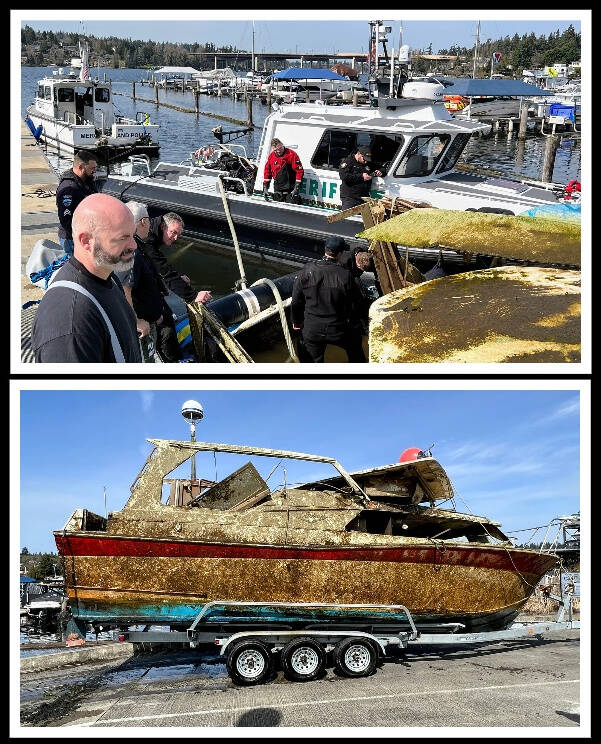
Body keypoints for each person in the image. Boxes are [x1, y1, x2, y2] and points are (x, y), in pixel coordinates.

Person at [32, 193, 142, 363]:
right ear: (86, 241)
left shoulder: (109, 277)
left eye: (133, 235)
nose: (134, 245)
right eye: (123, 238)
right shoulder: (70, 322)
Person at [144, 212, 212, 362]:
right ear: (163, 226)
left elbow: (159, 267)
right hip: (141, 293)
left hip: (148, 285)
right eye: (173, 233)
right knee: (166, 325)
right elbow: (164, 273)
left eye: (178, 235)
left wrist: (178, 278)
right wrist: (194, 296)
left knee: (166, 318)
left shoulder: (152, 236)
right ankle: (171, 361)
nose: (175, 238)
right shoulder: (147, 241)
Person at [290, 236, 367, 363]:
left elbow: (296, 301)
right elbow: (357, 304)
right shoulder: (345, 275)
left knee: (310, 360)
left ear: (325, 250)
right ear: (341, 254)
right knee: (355, 349)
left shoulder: (307, 270)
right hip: (339, 329)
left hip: (312, 329)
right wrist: (357, 323)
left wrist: (296, 321)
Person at [113, 201, 165, 363]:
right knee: (145, 361)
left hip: (149, 317)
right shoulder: (131, 251)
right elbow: (124, 289)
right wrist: (136, 321)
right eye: (149, 220)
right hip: (142, 325)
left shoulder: (139, 245)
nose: (150, 224)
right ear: (143, 221)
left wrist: (157, 313)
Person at [56, 150, 99, 255]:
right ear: (81, 167)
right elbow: (66, 221)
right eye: (92, 168)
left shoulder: (85, 181)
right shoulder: (69, 189)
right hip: (72, 239)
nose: (94, 171)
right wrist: (83, 238)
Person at [338, 146, 382, 210]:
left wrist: (380, 171)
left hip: (363, 198)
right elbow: (344, 176)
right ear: (358, 154)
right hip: (350, 198)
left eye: (367, 159)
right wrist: (361, 177)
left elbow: (381, 167)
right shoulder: (348, 162)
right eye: (364, 159)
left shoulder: (367, 163)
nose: (366, 161)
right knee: (347, 218)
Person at [263, 138, 304, 203]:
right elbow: (267, 171)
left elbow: (299, 171)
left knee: (292, 204)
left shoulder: (291, 154)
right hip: (278, 187)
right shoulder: (271, 156)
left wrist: (297, 187)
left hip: (290, 187)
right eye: (276, 150)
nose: (278, 151)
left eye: (280, 148)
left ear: (282, 145)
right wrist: (265, 187)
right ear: (273, 149)